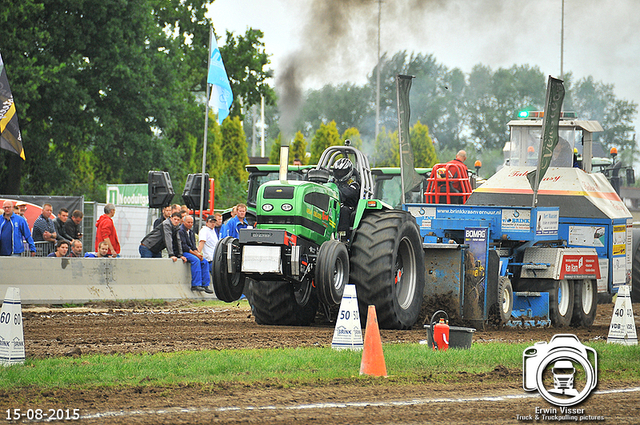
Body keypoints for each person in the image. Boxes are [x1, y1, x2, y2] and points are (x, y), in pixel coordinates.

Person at [180, 215, 213, 293]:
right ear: (184, 222)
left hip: (191, 251)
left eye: (191, 222)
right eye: (188, 222)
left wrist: (198, 253)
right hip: (183, 252)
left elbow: (193, 246)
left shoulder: (191, 232)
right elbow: (184, 246)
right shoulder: (180, 231)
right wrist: (196, 255)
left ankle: (205, 285)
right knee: (196, 260)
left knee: (204, 261)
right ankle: (195, 284)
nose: (190, 224)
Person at [332, 158, 360, 233]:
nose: (339, 174)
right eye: (338, 172)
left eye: (342, 172)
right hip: (332, 206)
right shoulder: (331, 182)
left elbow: (348, 193)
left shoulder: (354, 185)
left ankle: (343, 234)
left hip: (349, 209)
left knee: (343, 209)